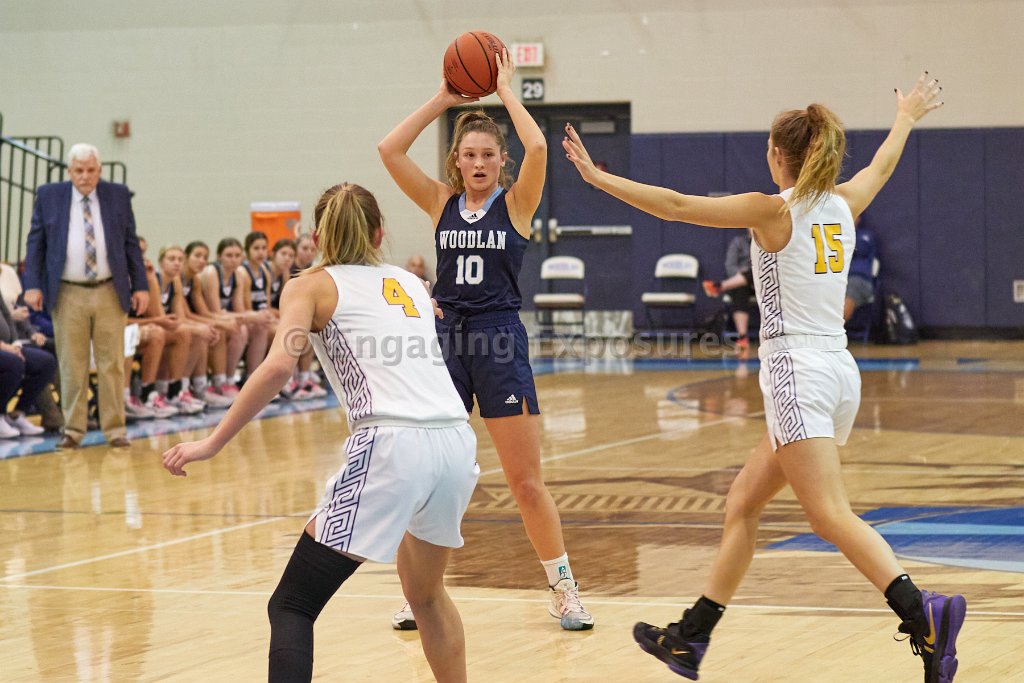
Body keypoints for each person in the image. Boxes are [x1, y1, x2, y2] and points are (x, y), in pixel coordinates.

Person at [563, 74, 964, 682]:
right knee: (744, 503)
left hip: (797, 372)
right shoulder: (843, 202)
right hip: (838, 372)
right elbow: (881, 166)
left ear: (778, 155)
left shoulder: (774, 211)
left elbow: (676, 205)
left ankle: (922, 612)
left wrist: (599, 179)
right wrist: (905, 117)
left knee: (827, 515)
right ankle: (691, 637)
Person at [162, 182, 478, 683]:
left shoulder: (308, 285)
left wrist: (211, 441)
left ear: (315, 237)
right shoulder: (412, 282)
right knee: (427, 595)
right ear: (379, 232)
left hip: (393, 442)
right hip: (455, 440)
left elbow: (277, 367)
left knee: (292, 604)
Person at [379, 49, 593, 631]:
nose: (478, 163)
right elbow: (389, 150)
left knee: (525, 482)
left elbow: (540, 148)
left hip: (499, 338)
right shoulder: (441, 202)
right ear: (456, 160)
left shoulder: (517, 203)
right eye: (469, 155)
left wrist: (504, 90)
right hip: (446, 341)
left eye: (488, 155)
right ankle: (416, 592)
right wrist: (444, 98)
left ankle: (564, 589)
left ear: (502, 161)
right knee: (426, 476)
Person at [23, 143, 149, 449]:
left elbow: (131, 243)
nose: (85, 176)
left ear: (99, 170)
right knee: (71, 363)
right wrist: (33, 285)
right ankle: (73, 429)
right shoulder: (50, 195)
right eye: (79, 170)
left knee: (112, 362)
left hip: (109, 289)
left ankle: (115, 429)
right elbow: (36, 243)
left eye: (91, 170)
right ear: (69, 171)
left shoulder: (117, 195)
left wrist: (141, 285)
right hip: (67, 290)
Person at [0, 292, 56, 438]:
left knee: (46, 362)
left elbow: (7, 316)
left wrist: (15, 343)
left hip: (9, 345)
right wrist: (4, 347)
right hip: (2, 348)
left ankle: (17, 414)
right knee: (14, 363)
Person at [703, 229, 756, 357]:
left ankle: (720, 286)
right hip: (742, 283)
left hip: (764, 283)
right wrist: (741, 275)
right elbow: (730, 266)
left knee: (754, 271)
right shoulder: (739, 242)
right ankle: (742, 337)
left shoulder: (768, 241)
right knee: (739, 289)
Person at [845, 216, 878, 321]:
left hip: (860, 280)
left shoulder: (865, 235)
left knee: (852, 287)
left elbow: (861, 249)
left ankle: (834, 329)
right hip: (840, 279)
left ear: (858, 218)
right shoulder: (836, 235)